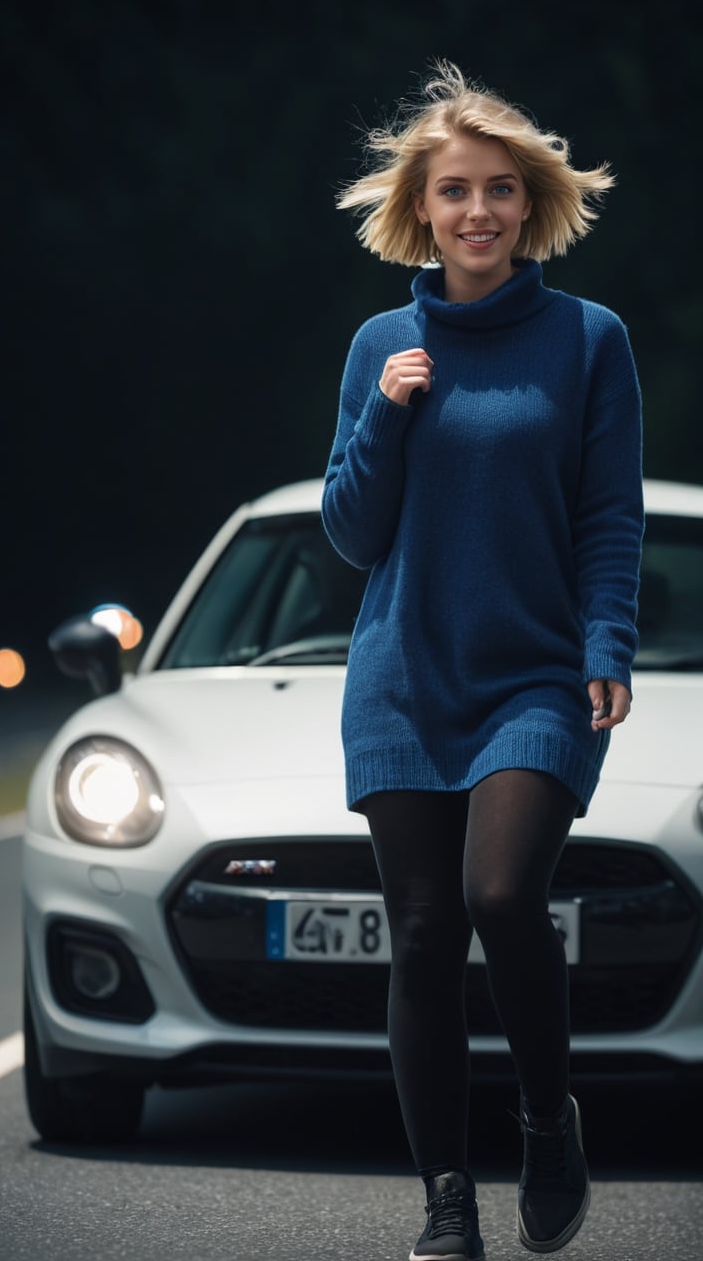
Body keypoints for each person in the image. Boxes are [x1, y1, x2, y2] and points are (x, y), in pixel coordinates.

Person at [321, 61, 643, 1261]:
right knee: (418, 930)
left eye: (501, 190)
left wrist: (605, 642)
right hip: (403, 673)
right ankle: (446, 1199)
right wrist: (384, 416)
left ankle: (546, 1118)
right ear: (423, 207)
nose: (478, 213)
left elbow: (609, 514)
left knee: (501, 894)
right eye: (455, 192)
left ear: (530, 204)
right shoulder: (379, 345)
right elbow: (352, 533)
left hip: (535, 675)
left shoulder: (587, 339)